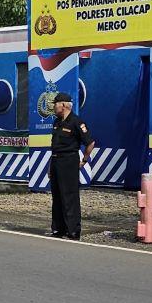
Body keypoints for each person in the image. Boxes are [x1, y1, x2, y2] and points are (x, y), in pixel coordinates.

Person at [49, 91, 95, 240]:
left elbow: (90, 143)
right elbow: (55, 146)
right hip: (56, 161)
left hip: (69, 161)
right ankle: (58, 229)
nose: (54, 107)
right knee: (57, 196)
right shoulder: (57, 122)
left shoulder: (76, 122)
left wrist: (84, 160)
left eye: (55, 104)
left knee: (69, 196)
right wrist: (51, 167)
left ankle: (73, 230)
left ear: (63, 105)